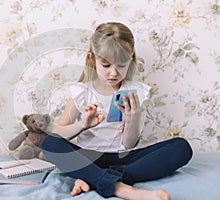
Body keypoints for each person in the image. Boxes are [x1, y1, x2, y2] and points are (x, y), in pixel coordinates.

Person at [41, 22, 192, 200]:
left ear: (131, 59)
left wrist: (133, 118)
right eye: (106, 65)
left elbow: (129, 145)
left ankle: (95, 177)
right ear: (92, 59)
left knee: (181, 147)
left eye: (121, 65)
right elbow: (59, 133)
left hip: (122, 158)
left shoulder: (135, 92)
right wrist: (83, 125)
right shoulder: (81, 92)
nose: (113, 73)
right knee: (49, 142)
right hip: (86, 156)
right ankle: (122, 189)